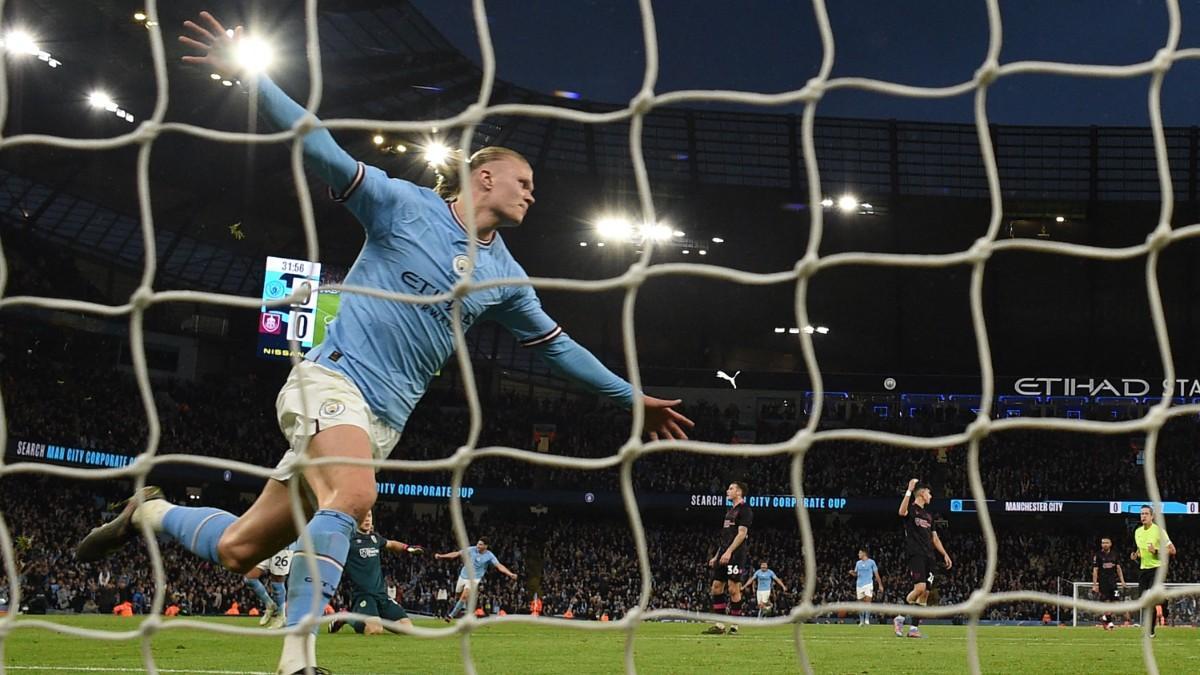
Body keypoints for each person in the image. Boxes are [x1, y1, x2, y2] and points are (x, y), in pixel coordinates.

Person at [75, 10, 693, 674]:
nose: (532, 194)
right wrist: (255, 80)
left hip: (385, 421)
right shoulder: (402, 205)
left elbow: (557, 349)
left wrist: (631, 398)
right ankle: (295, 659)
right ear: (484, 178)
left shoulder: (508, 277)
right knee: (357, 497)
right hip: (330, 381)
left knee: (237, 548)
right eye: (525, 182)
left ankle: (152, 510)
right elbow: (321, 147)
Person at [328, 511, 422, 635]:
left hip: (381, 594)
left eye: (369, 516)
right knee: (374, 630)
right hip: (363, 595)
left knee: (408, 629)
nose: (367, 519)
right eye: (364, 516)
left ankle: (375, 617)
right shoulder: (348, 539)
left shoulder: (375, 538)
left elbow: (392, 544)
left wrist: (407, 548)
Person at [893, 479, 951, 639]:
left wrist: (944, 553)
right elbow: (901, 512)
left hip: (930, 556)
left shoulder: (928, 516)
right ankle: (899, 617)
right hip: (916, 554)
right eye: (929, 493)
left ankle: (913, 629)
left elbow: (935, 538)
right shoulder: (912, 510)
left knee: (925, 593)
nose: (931, 496)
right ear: (922, 494)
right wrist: (909, 490)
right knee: (919, 588)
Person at [704, 481, 752, 635]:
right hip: (724, 553)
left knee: (733, 588)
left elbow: (742, 534)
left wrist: (729, 552)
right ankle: (719, 625)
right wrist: (718, 555)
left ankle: (735, 625)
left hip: (736, 555)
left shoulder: (745, 510)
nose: (727, 490)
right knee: (716, 587)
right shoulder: (729, 511)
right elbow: (725, 537)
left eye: (731, 488)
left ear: (739, 492)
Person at [435, 539, 517, 620]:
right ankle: (466, 610)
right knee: (458, 595)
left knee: (464, 596)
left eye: (481, 544)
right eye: (478, 544)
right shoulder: (471, 549)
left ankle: (451, 615)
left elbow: (499, 566)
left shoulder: (489, 555)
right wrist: (441, 556)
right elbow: (456, 554)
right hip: (463, 576)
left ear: (486, 546)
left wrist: (510, 574)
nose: (478, 546)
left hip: (474, 579)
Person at [1132, 504, 1175, 637]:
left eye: (1146, 513)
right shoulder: (1137, 532)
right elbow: (1140, 550)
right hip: (1143, 569)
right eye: (1141, 514)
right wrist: (1136, 555)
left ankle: (1151, 629)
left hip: (1157, 569)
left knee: (1150, 597)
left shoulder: (1159, 531)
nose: (1143, 516)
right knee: (1144, 601)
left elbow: (1172, 550)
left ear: (1152, 516)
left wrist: (1156, 551)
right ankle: (1163, 602)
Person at [247, 546, 294, 629]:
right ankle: (270, 605)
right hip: (267, 544)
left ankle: (281, 616)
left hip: (283, 547)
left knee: (277, 583)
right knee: (250, 578)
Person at [1091, 536, 1125, 630]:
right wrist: (1095, 585)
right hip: (1103, 583)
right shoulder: (1098, 555)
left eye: (1106, 542)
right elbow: (1095, 570)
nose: (1104, 544)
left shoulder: (1115, 554)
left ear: (1110, 544)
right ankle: (1109, 621)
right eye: (1103, 543)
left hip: (1113, 582)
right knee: (1106, 602)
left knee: (1116, 601)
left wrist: (1122, 581)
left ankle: (1105, 617)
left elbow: (1118, 568)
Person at [848, 548, 883, 625]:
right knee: (860, 604)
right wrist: (852, 573)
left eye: (859, 553)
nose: (858, 554)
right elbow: (856, 574)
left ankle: (867, 620)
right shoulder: (858, 563)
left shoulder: (871, 562)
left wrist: (880, 585)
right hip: (859, 585)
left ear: (864, 553)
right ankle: (861, 621)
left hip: (868, 584)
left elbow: (876, 574)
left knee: (868, 602)